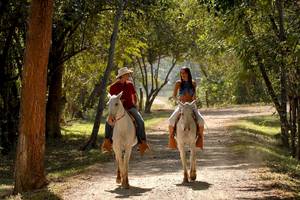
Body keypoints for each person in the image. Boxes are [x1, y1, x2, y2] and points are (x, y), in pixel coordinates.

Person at [101, 67, 150, 155]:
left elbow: (134, 95)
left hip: (130, 107)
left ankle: (142, 143)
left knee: (140, 121)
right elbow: (112, 100)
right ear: (122, 76)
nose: (128, 75)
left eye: (128, 74)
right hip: (117, 109)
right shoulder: (113, 87)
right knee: (108, 122)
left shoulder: (130, 84)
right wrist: (120, 103)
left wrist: (135, 104)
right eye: (127, 74)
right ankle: (107, 142)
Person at [168, 66, 204, 149]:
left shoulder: (193, 83)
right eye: (181, 73)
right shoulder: (178, 83)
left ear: (188, 73)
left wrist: (194, 101)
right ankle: (171, 137)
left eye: (184, 73)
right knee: (171, 120)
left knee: (201, 120)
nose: (182, 74)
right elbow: (174, 96)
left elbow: (195, 96)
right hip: (182, 105)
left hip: (192, 106)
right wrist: (179, 102)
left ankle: (200, 138)